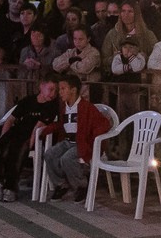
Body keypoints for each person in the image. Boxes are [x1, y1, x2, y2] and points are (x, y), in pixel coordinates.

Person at [35, 73, 112, 202]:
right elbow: (61, 123)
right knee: (50, 154)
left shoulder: (86, 107)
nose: (60, 92)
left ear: (73, 90)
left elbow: (104, 123)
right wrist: (45, 130)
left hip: (81, 143)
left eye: (63, 89)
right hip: (68, 141)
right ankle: (61, 184)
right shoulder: (64, 107)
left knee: (67, 158)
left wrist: (92, 139)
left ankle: (81, 185)